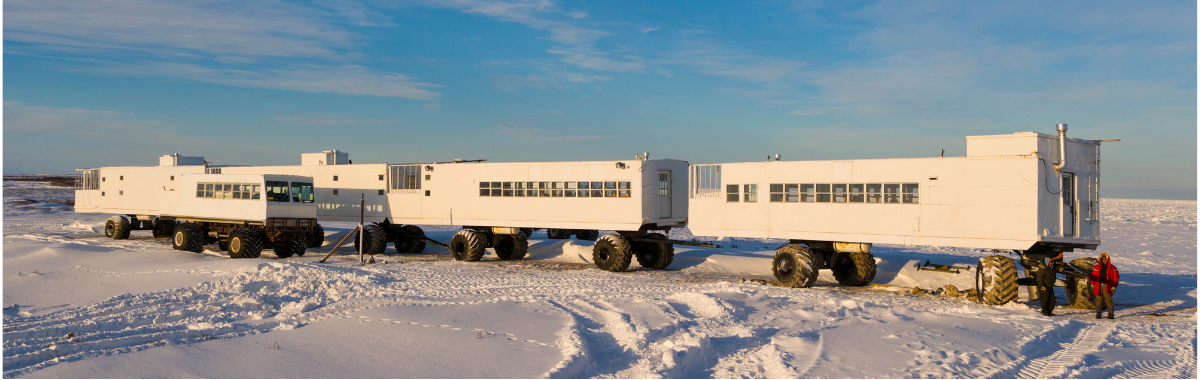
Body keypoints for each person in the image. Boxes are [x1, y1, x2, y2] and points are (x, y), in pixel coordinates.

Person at [1090, 252, 1120, 319]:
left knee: (1108, 300)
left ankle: (1111, 315)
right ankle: (1098, 314)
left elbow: (1116, 277)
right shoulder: (1097, 267)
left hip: (1107, 285)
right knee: (1098, 300)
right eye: (1103, 258)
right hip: (1098, 285)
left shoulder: (1113, 268)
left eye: (1105, 258)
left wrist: (1114, 286)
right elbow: (1093, 276)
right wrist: (1092, 283)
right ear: (1101, 259)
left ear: (1108, 259)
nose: (1104, 260)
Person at [1035, 251, 1063, 316]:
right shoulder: (1042, 269)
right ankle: (1045, 311)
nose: (1051, 264)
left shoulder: (1051, 268)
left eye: (1051, 262)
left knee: (1052, 300)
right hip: (1044, 286)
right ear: (1047, 262)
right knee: (1045, 299)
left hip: (1050, 286)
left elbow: (1057, 267)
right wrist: (1042, 285)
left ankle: (1050, 311)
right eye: (1050, 263)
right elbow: (1039, 278)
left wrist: (1060, 268)